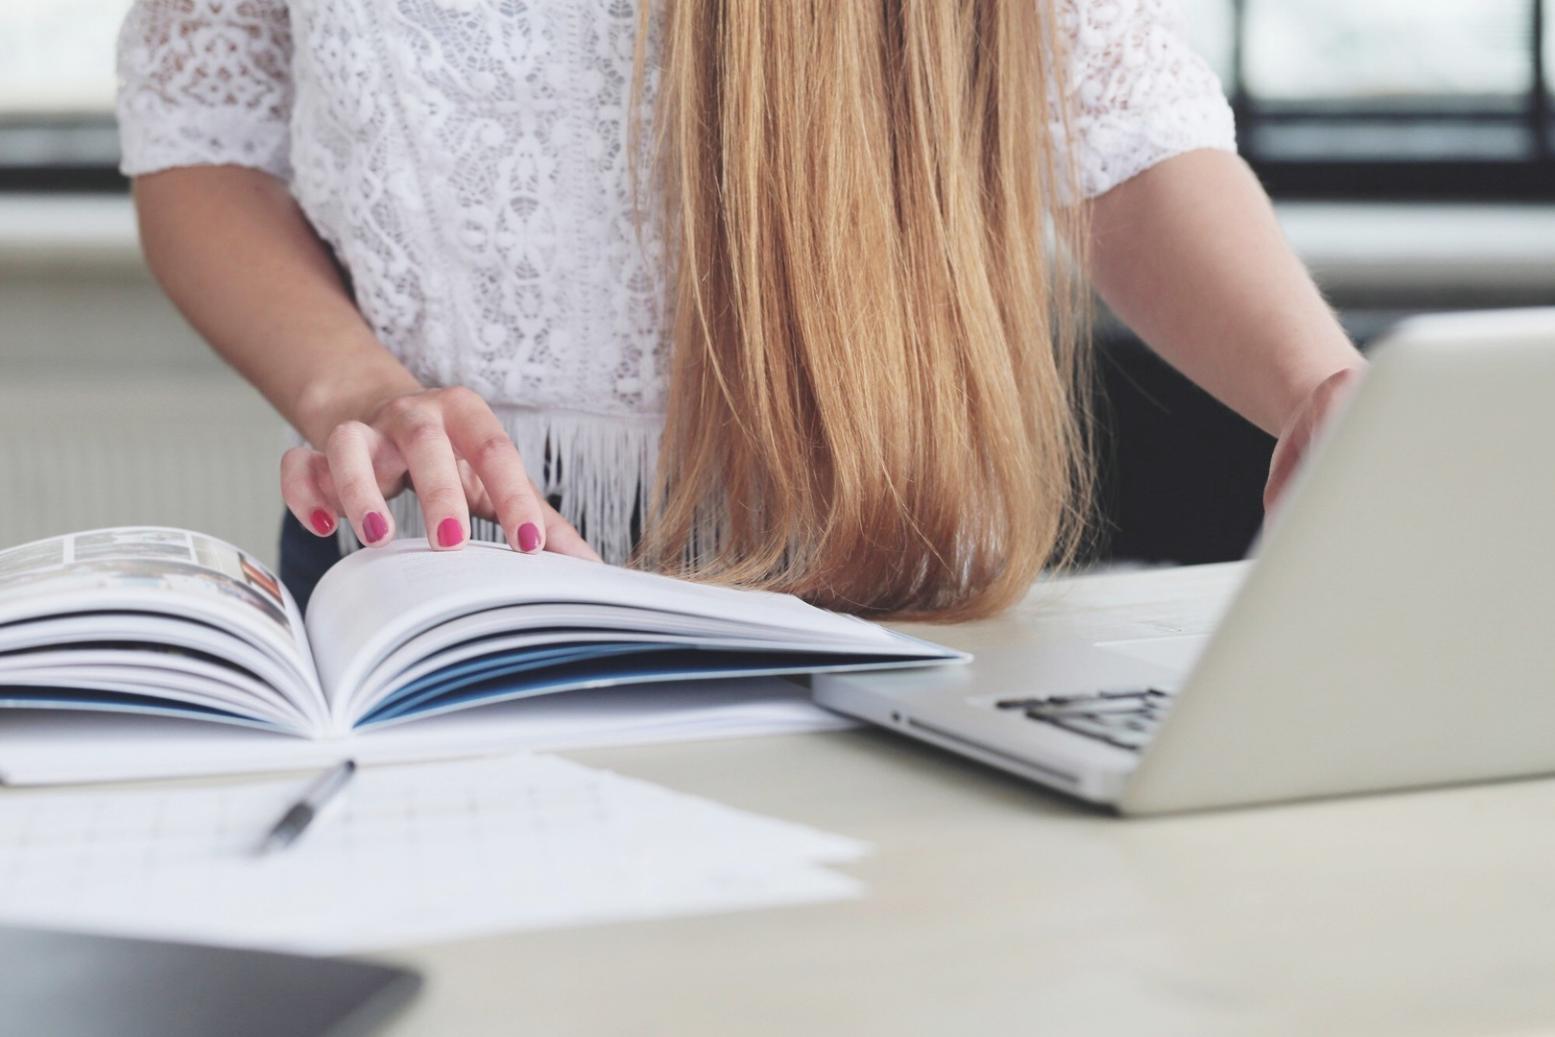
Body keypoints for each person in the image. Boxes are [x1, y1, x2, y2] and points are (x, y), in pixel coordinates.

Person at [117, 0, 1363, 619]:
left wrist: (1328, 398)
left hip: (863, 559)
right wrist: (351, 385)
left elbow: (1121, 137)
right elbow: (202, 139)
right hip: (430, 560)